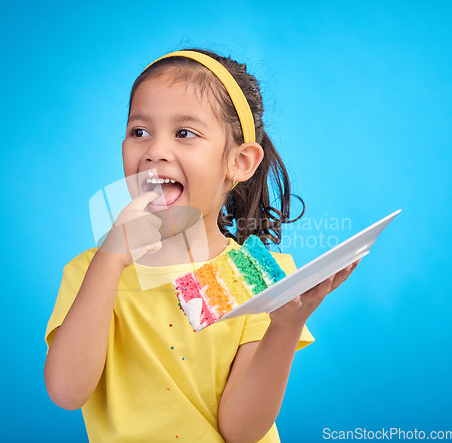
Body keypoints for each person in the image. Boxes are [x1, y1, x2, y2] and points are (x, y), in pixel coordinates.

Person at [44, 48, 360, 443]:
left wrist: (287, 326)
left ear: (240, 162)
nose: (155, 151)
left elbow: (241, 431)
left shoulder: (255, 272)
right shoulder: (91, 271)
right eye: (139, 131)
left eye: (184, 133)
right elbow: (67, 393)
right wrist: (109, 262)